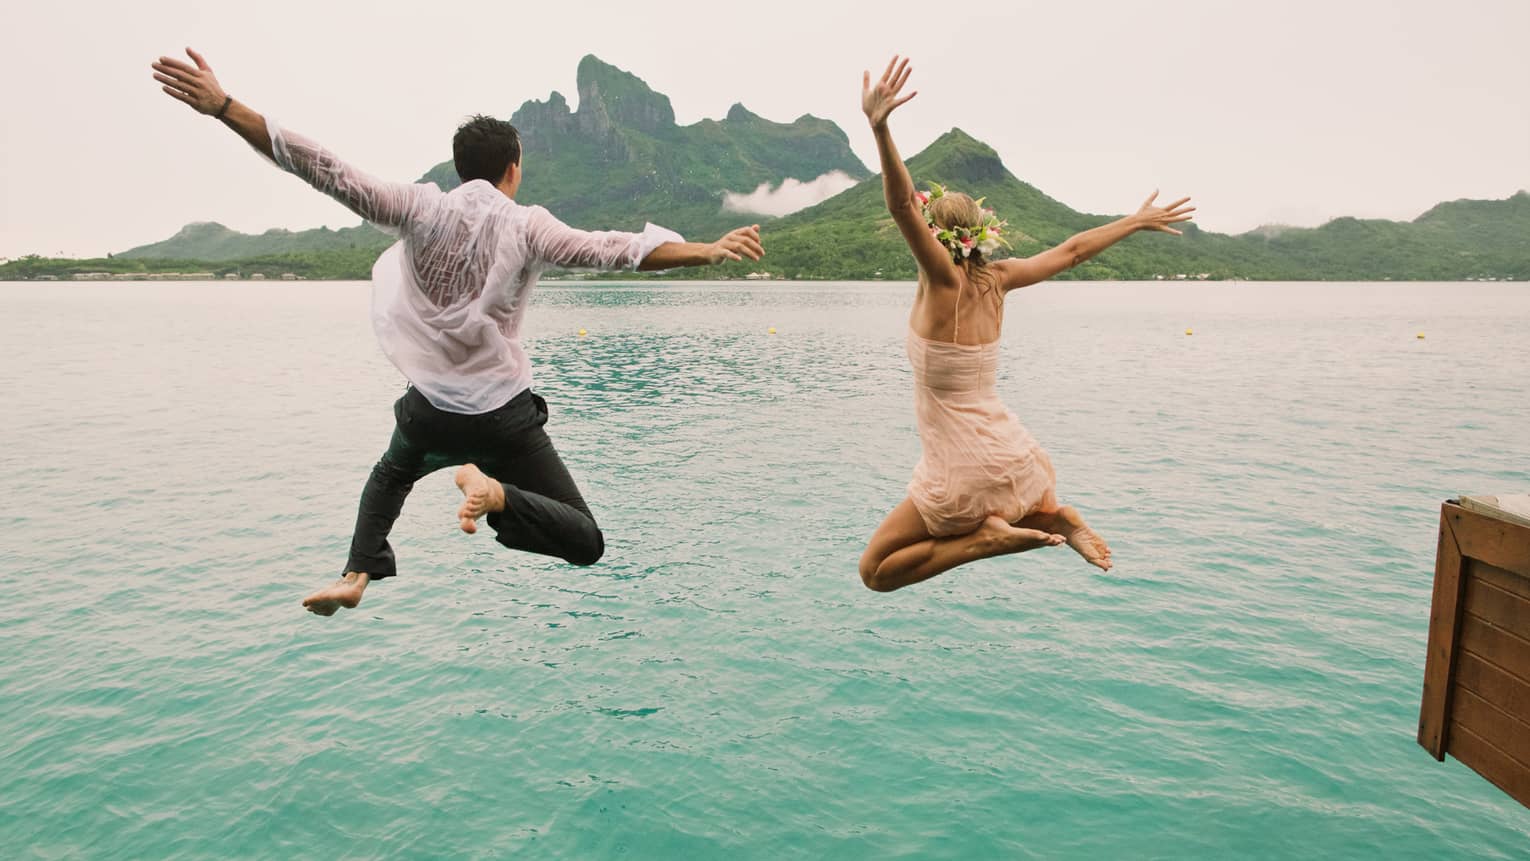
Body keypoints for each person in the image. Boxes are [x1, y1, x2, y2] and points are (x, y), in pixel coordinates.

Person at [150, 48, 765, 615]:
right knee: (585, 540)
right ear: (513, 169)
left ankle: (357, 573)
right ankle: (497, 495)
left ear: (457, 167)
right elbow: (610, 249)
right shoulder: (528, 226)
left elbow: (325, 169)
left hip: (432, 412)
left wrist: (226, 108)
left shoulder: (419, 208)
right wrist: (703, 250)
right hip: (503, 415)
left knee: (391, 474)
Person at [855, 56, 1194, 592]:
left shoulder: (942, 282)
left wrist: (880, 128)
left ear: (935, 237)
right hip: (1013, 452)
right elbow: (1076, 250)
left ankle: (982, 542)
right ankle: (1055, 519)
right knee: (988, 514)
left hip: (961, 466)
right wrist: (1134, 221)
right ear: (980, 234)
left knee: (876, 572)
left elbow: (900, 204)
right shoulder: (1003, 279)